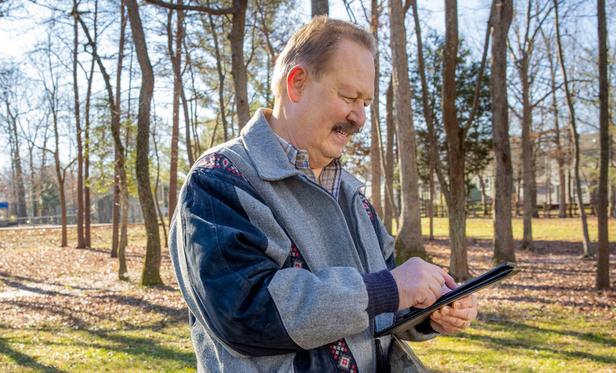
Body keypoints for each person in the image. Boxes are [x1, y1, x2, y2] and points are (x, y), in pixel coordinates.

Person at [168, 16, 478, 373]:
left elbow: (383, 302)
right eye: (349, 96)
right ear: (297, 83)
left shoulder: (352, 195)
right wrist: (387, 288)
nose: (360, 117)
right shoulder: (219, 181)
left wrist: (430, 312)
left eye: (366, 102)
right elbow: (245, 313)